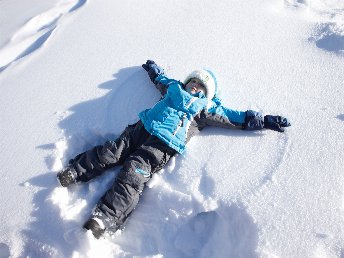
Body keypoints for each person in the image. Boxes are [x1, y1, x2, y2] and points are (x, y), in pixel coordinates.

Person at [57, 60, 291, 239]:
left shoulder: (206, 107)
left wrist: (265, 120)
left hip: (162, 146)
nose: (195, 87)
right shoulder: (173, 88)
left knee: (133, 173)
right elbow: (161, 78)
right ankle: (76, 170)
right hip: (139, 129)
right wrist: (153, 70)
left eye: (201, 86)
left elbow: (235, 117)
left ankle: (105, 217)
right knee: (112, 151)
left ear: (207, 94)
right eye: (193, 81)